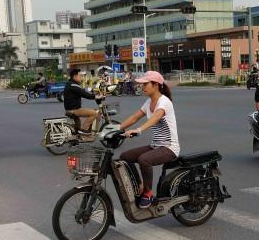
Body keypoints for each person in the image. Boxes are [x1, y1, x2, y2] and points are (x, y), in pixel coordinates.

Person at [118, 71, 179, 209]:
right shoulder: (148, 102)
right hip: (156, 145)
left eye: (146, 84)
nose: (143, 87)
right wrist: (116, 128)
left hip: (169, 147)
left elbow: (156, 117)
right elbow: (134, 117)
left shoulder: (164, 101)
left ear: (156, 85)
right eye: (142, 84)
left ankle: (148, 193)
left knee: (144, 160)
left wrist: (139, 130)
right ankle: (139, 185)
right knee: (124, 157)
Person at [63, 68, 104, 135]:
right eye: (80, 76)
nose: (81, 78)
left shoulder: (70, 84)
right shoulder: (74, 85)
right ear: (75, 76)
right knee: (94, 113)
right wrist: (95, 96)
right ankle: (84, 130)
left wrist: (93, 94)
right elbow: (84, 94)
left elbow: (83, 92)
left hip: (70, 108)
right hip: (75, 109)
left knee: (78, 125)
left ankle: (77, 135)